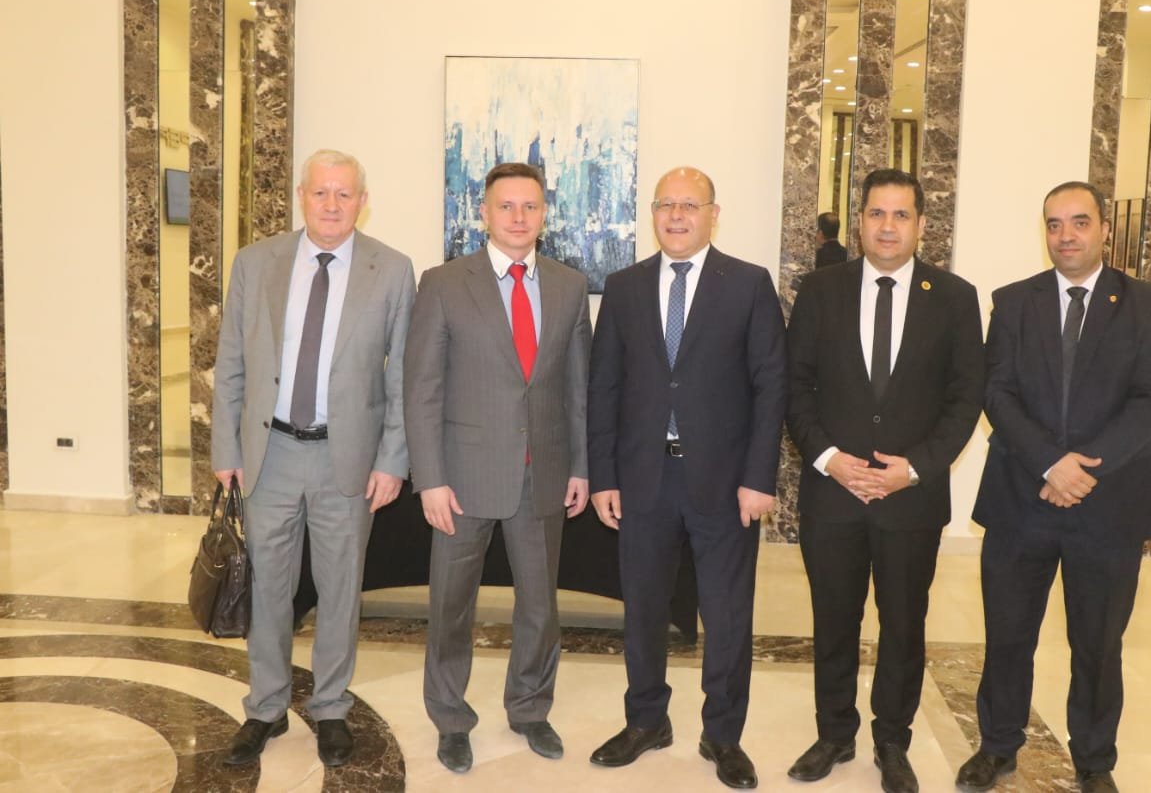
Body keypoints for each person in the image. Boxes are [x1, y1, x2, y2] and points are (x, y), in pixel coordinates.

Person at [955, 182, 1151, 793]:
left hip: (1110, 505)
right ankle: (997, 746)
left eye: (1079, 222)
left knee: (1098, 643)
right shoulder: (1013, 302)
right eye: (1054, 224)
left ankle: (1095, 761)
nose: (1066, 235)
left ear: (1105, 228)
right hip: (1022, 497)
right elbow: (997, 392)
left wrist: (1084, 470)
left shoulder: (1145, 303)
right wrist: (1051, 464)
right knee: (1008, 634)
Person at [212, 148, 416, 767]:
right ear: (301, 196)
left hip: (346, 459)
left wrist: (393, 459)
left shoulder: (392, 270)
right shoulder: (256, 263)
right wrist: (226, 447)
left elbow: (403, 376)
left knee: (340, 589)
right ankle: (265, 707)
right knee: (268, 588)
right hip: (269, 453)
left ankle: (330, 707)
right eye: (321, 192)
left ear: (362, 202)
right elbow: (231, 360)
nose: (332, 204)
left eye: (344, 194)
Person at [587, 166, 787, 790]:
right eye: (666, 205)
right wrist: (603, 475)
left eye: (690, 205)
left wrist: (759, 477)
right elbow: (604, 387)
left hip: (726, 485)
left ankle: (722, 734)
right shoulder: (624, 287)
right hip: (643, 479)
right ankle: (646, 721)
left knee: (726, 615)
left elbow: (771, 387)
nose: (676, 216)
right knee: (644, 609)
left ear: (713, 214)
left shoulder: (748, 284)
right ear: (653, 213)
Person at [786, 168, 984, 792]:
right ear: (860, 221)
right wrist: (828, 459)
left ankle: (892, 742)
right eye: (877, 213)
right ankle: (834, 734)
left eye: (901, 215)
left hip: (910, 500)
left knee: (903, 625)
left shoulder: (954, 297)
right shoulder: (821, 290)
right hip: (832, 494)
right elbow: (795, 387)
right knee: (833, 620)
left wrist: (914, 468)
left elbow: (966, 398)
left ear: (921, 224)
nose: (888, 226)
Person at [403, 162, 592, 773]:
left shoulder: (569, 286)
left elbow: (578, 390)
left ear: (544, 215)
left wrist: (581, 467)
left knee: (539, 605)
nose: (518, 217)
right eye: (506, 206)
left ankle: (531, 709)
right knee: (451, 605)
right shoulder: (443, 283)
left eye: (530, 206)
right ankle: (450, 719)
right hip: (462, 479)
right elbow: (422, 389)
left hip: (544, 474)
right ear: (483, 213)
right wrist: (430, 479)